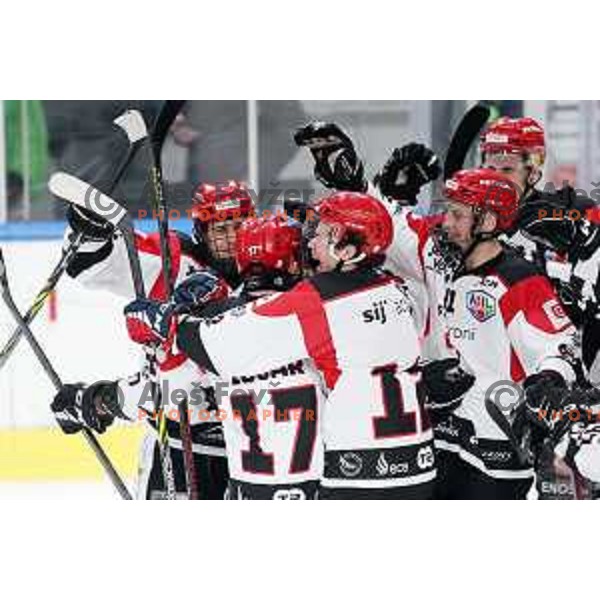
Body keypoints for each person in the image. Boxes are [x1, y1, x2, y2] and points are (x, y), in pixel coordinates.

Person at [125, 192, 436, 499]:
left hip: (357, 477)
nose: (312, 245)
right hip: (418, 467)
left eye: (323, 234)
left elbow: (215, 348)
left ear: (346, 248)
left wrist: (168, 321)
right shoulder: (397, 290)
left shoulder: (314, 304)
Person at [52, 180, 254, 499]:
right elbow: (97, 266)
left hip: (248, 449)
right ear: (202, 232)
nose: (231, 239)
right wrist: (92, 235)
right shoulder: (173, 260)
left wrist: (104, 399)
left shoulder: (273, 270)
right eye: (220, 230)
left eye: (238, 226)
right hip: (173, 444)